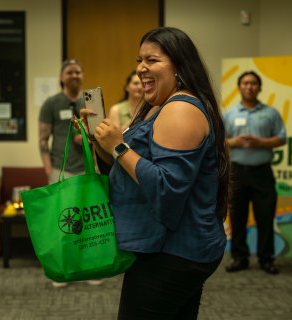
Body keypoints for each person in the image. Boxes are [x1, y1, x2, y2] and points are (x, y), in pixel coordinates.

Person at [78, 26, 230, 319]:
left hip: (174, 252)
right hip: (166, 247)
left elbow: (166, 190)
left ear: (180, 65)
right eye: (139, 61)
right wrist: (101, 142)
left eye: (152, 60)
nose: (141, 69)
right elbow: (124, 172)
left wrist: (120, 148)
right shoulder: (155, 107)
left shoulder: (180, 110)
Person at [38, 59, 103, 288]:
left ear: (82, 75)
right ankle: (63, 269)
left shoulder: (91, 101)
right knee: (62, 222)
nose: (74, 75)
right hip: (60, 169)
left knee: (88, 222)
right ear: (62, 77)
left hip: (87, 168)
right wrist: (48, 168)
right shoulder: (51, 103)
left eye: (78, 71)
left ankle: (91, 268)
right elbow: (43, 139)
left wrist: (87, 138)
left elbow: (100, 134)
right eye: (69, 72)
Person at [223, 71, 286, 275]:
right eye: (245, 83)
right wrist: (236, 142)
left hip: (262, 173)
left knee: (265, 216)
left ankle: (266, 259)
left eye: (253, 83)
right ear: (239, 87)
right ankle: (239, 258)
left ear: (259, 88)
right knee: (237, 216)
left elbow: (281, 138)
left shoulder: (271, 113)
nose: (249, 86)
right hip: (237, 173)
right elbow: (220, 141)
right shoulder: (229, 114)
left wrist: (261, 142)